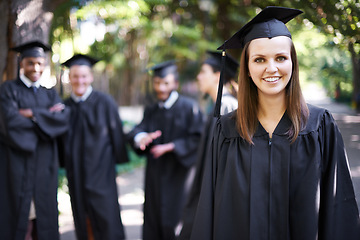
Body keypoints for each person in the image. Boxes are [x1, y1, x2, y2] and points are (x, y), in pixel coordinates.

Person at [190, 6, 360, 240]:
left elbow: (339, 205)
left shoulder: (320, 126)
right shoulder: (227, 130)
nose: (271, 68)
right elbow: (209, 204)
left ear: (293, 63)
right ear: (247, 68)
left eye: (281, 57)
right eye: (259, 59)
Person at [0, 41, 70, 240]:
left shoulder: (50, 93)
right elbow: (10, 123)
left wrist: (30, 113)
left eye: (40, 63)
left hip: (45, 166)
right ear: (21, 63)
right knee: (18, 217)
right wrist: (46, 118)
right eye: (31, 63)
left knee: (44, 216)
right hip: (16, 164)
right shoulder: (8, 90)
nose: (36, 68)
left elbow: (62, 120)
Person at [127, 60, 204, 240]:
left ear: (175, 83)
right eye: (157, 83)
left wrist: (171, 147)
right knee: (153, 221)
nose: (161, 87)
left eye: (166, 83)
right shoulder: (152, 109)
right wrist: (141, 138)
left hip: (179, 176)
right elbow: (137, 130)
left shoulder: (189, 108)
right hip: (155, 175)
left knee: (175, 221)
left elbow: (198, 138)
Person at [59, 54, 129, 240]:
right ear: (69, 78)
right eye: (75, 76)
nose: (79, 80)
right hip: (76, 176)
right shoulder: (64, 106)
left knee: (107, 220)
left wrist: (119, 160)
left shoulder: (105, 102)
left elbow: (117, 135)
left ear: (90, 77)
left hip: (102, 174)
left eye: (83, 76)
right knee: (82, 220)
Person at [177, 50, 239, 239]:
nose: (198, 76)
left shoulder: (228, 106)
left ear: (217, 76)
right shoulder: (217, 105)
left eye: (203, 72)